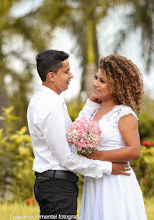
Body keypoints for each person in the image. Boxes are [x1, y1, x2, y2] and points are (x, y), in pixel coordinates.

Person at [27, 50, 131, 217]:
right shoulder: (49, 107)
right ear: (51, 76)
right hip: (57, 187)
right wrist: (108, 167)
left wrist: (89, 106)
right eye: (66, 72)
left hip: (54, 185)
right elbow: (67, 158)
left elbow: (68, 136)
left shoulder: (43, 100)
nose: (71, 76)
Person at [78, 54, 147, 220]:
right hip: (95, 181)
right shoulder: (95, 109)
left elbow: (134, 150)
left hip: (115, 183)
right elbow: (76, 130)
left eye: (102, 81)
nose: (95, 83)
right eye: (96, 78)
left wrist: (98, 156)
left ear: (117, 86)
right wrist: (90, 103)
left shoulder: (124, 113)